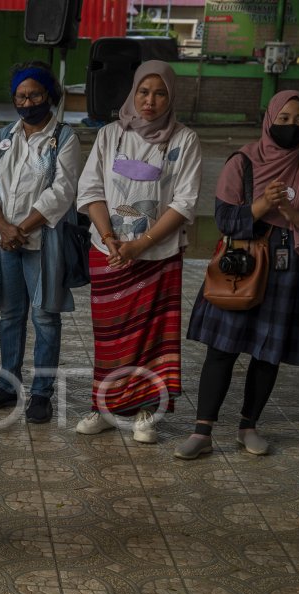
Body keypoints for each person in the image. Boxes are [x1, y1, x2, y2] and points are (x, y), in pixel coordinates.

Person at [179, 90, 299, 460]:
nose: (291, 127)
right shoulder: (243, 162)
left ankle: (248, 426)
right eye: (284, 119)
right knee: (223, 349)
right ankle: (202, 431)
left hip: (294, 270)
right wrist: (262, 206)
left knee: (268, 353)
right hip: (244, 266)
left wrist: (297, 218)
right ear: (269, 119)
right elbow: (225, 220)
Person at [75, 60, 202, 443]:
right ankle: (105, 404)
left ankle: (147, 410)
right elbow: (91, 189)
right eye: (143, 92)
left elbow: (185, 202)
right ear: (132, 93)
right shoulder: (110, 135)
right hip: (109, 251)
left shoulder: (184, 140)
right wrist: (111, 237)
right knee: (110, 335)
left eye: (159, 93)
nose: (150, 101)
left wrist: (142, 244)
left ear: (170, 96)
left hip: (158, 257)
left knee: (153, 335)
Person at [0, 63, 80, 422]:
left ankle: (41, 394)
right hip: (4, 241)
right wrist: (4, 227)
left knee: (45, 316)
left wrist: (22, 228)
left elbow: (62, 191)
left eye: (34, 94)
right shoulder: (4, 135)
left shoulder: (64, 138)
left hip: (42, 241)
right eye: (21, 95)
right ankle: (7, 385)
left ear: (48, 95)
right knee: (10, 314)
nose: (27, 101)